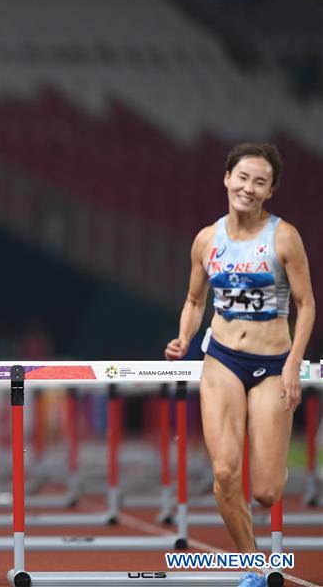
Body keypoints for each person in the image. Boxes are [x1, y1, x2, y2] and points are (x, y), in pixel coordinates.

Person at [164, 143, 315, 587]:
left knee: (266, 491)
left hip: (271, 364)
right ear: (227, 178)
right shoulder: (207, 240)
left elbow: (306, 306)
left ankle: (272, 462)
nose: (248, 187)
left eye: (260, 182)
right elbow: (195, 300)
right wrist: (185, 337)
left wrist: (293, 364)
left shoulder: (283, 237)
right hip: (223, 359)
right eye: (242, 177)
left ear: (271, 191)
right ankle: (251, 564)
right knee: (226, 471)